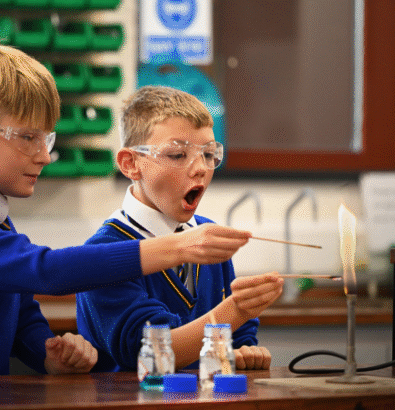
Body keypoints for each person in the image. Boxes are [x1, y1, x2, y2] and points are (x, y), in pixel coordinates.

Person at [0, 43, 254, 380]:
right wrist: (179, 248)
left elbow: (20, 312)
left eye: (46, 138)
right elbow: (46, 272)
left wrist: (48, 353)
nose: (44, 155)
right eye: (28, 138)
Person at [75, 86, 284, 372]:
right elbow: (149, 354)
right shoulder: (104, 253)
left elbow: (237, 338)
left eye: (209, 154)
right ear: (131, 164)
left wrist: (244, 351)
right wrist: (237, 310)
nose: (200, 168)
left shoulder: (208, 236)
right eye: (177, 154)